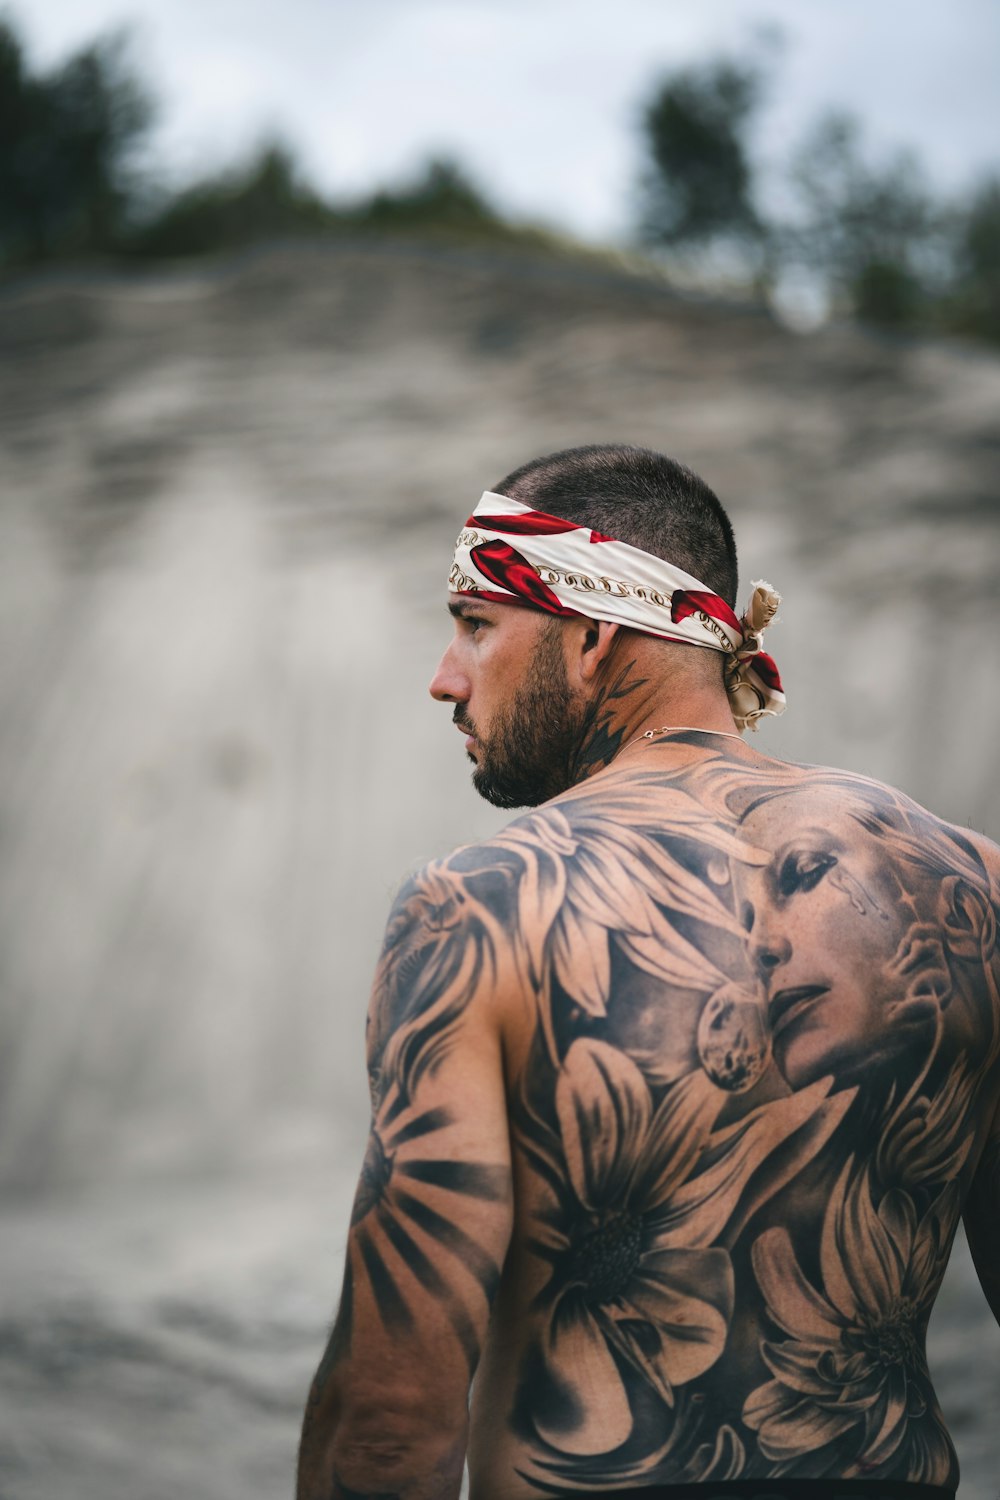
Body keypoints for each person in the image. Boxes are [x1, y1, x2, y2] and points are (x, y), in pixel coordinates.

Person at [297, 445, 1000, 1500]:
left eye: (475, 624)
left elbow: (393, 1408)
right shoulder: (971, 884)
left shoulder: (480, 909)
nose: (444, 677)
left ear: (589, 636)